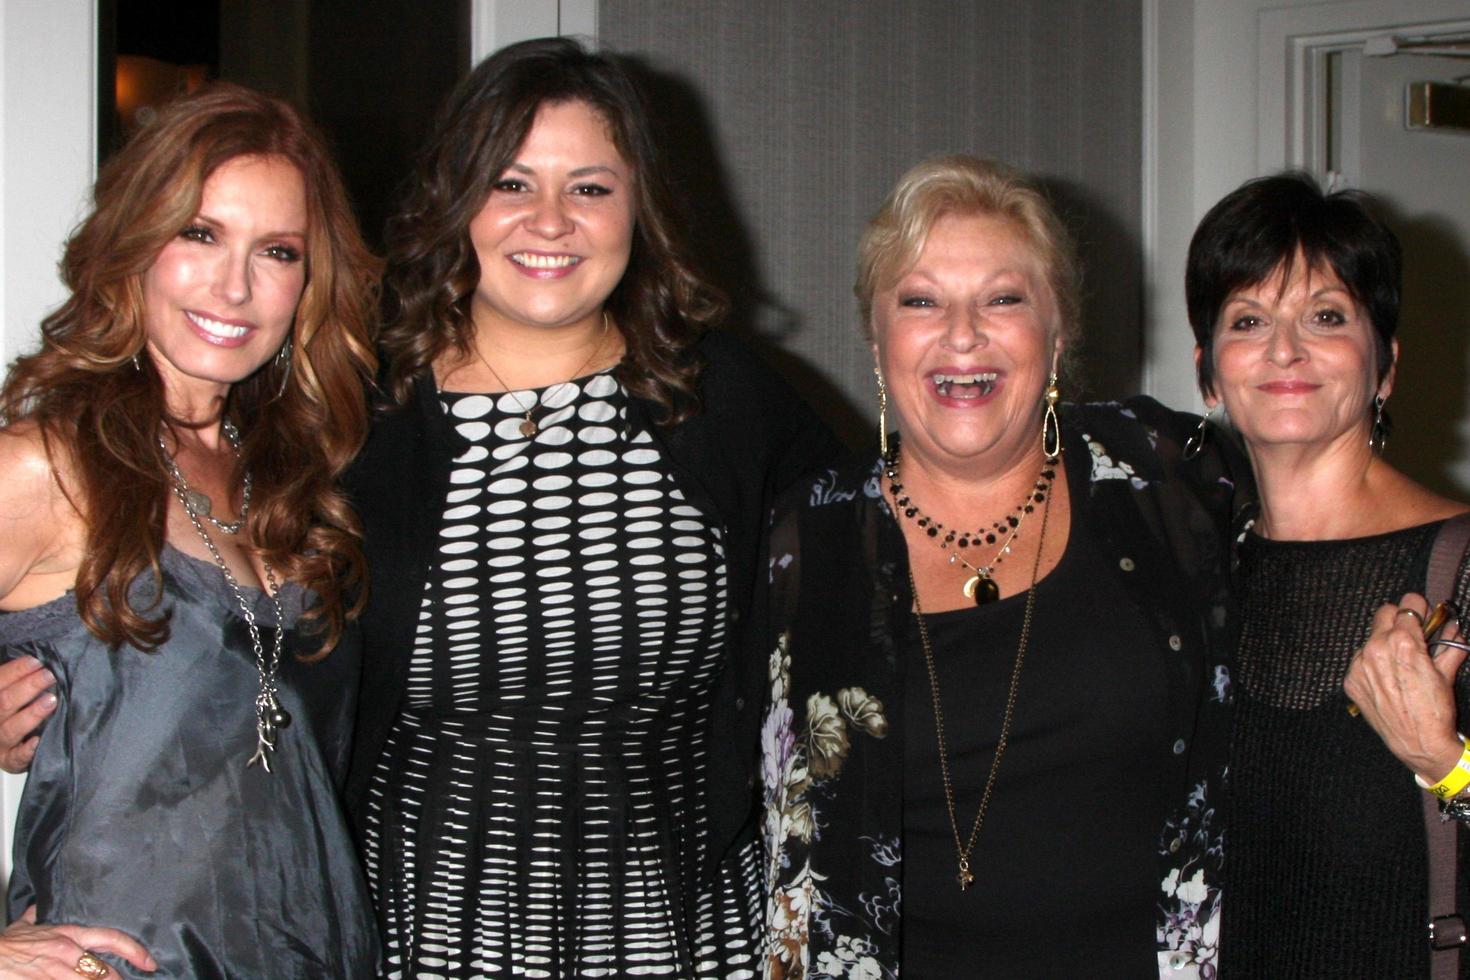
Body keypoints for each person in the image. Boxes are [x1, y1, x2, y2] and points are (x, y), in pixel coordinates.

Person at [342, 38, 839, 976]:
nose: (551, 221)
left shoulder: (727, 402)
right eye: (511, 183)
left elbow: (884, 583)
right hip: (433, 939)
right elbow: (230, 613)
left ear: (639, 207)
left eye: (591, 188)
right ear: (457, 202)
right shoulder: (357, 417)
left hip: (686, 938)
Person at [759, 156, 1239, 977]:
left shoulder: (1165, 479)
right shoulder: (807, 536)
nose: (961, 335)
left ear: (1060, 332)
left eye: (1003, 298)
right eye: (920, 301)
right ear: (877, 338)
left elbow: (1333, 535)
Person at [0, 84, 380, 977]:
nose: (235, 285)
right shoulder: (45, 466)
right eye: (200, 234)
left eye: (277, 250)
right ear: (134, 244)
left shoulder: (295, 481)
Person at [1187, 173, 1470, 976]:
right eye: (1249, 319)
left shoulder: (1465, 569)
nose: (1285, 349)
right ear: (1211, 372)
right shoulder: (1187, 580)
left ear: (1383, 365)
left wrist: (1444, 759)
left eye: (1325, 315)